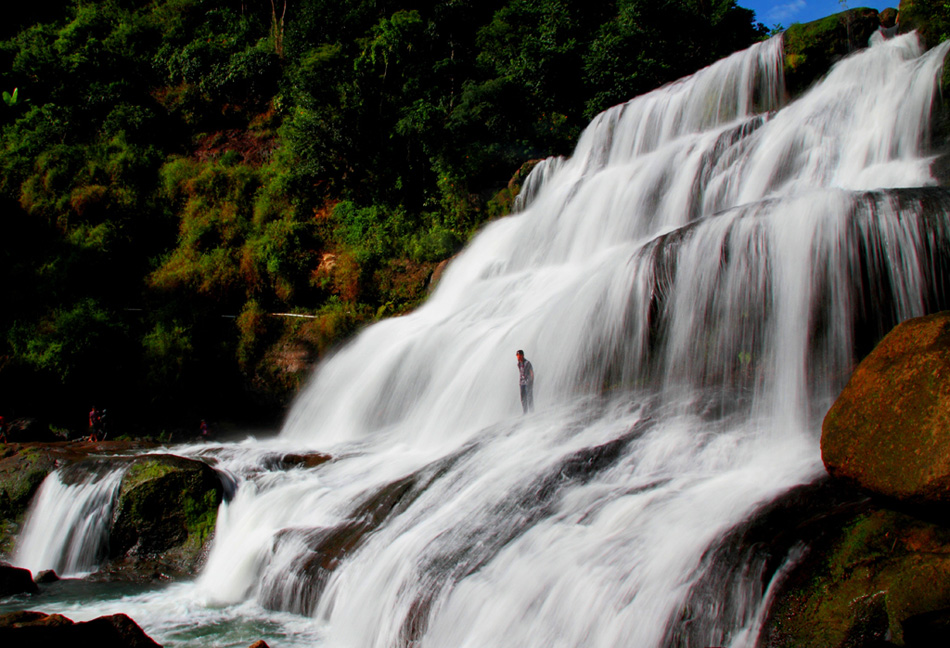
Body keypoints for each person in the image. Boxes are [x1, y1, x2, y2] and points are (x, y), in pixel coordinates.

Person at [516, 349, 535, 413]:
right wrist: (520, 382)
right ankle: (525, 412)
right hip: (522, 383)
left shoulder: (527, 363)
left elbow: (531, 372)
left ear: (522, 355)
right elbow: (521, 372)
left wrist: (532, 381)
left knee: (529, 396)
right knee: (523, 398)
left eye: (519, 355)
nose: (518, 357)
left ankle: (532, 411)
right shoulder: (519, 363)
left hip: (528, 381)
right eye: (517, 356)